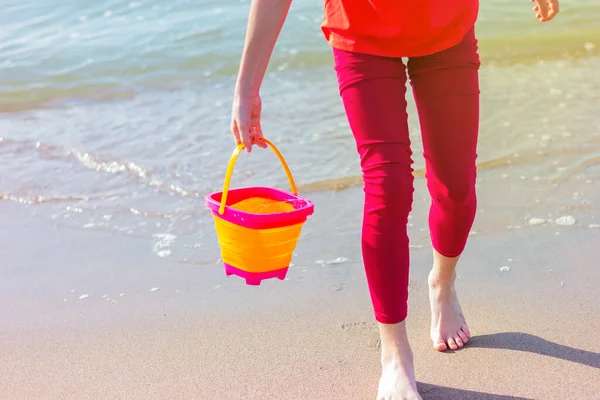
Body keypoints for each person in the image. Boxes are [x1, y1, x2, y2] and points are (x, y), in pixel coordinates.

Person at [229, 0, 559, 398]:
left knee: (456, 185)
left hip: (446, 24)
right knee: (388, 187)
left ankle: (442, 282)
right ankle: (395, 350)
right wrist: (247, 86)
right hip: (361, 32)